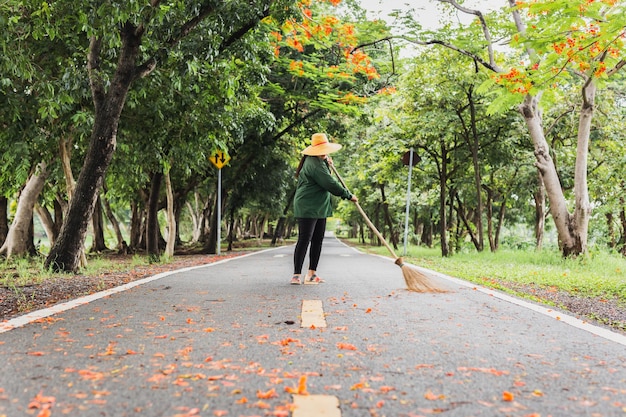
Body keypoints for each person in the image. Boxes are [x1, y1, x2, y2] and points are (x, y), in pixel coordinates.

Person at [290, 133, 358, 285]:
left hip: (320, 205)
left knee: (317, 240)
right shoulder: (314, 164)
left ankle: (312, 274)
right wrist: (347, 195)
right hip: (307, 206)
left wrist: (328, 164)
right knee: (304, 239)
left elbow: (326, 178)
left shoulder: (319, 162)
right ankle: (296, 274)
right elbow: (329, 183)